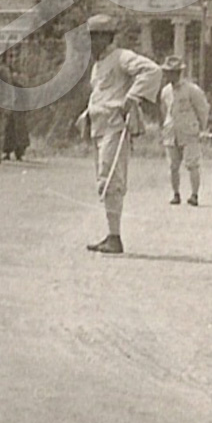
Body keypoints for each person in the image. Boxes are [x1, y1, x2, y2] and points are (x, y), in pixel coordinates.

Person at [75, 14, 161, 254]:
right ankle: (111, 234)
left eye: (94, 37)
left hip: (114, 127)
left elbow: (152, 71)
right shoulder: (98, 65)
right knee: (104, 179)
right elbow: (102, 95)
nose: (90, 43)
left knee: (111, 179)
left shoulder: (122, 57)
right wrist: (87, 115)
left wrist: (132, 97)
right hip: (99, 127)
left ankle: (115, 237)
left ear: (106, 37)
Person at [158, 55, 210, 206]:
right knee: (172, 166)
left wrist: (202, 127)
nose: (169, 75)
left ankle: (194, 195)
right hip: (171, 132)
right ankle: (175, 194)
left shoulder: (192, 90)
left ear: (178, 73)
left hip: (188, 131)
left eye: (172, 72)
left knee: (192, 164)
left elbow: (202, 109)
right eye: (167, 72)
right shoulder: (165, 91)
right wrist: (164, 127)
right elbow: (164, 111)